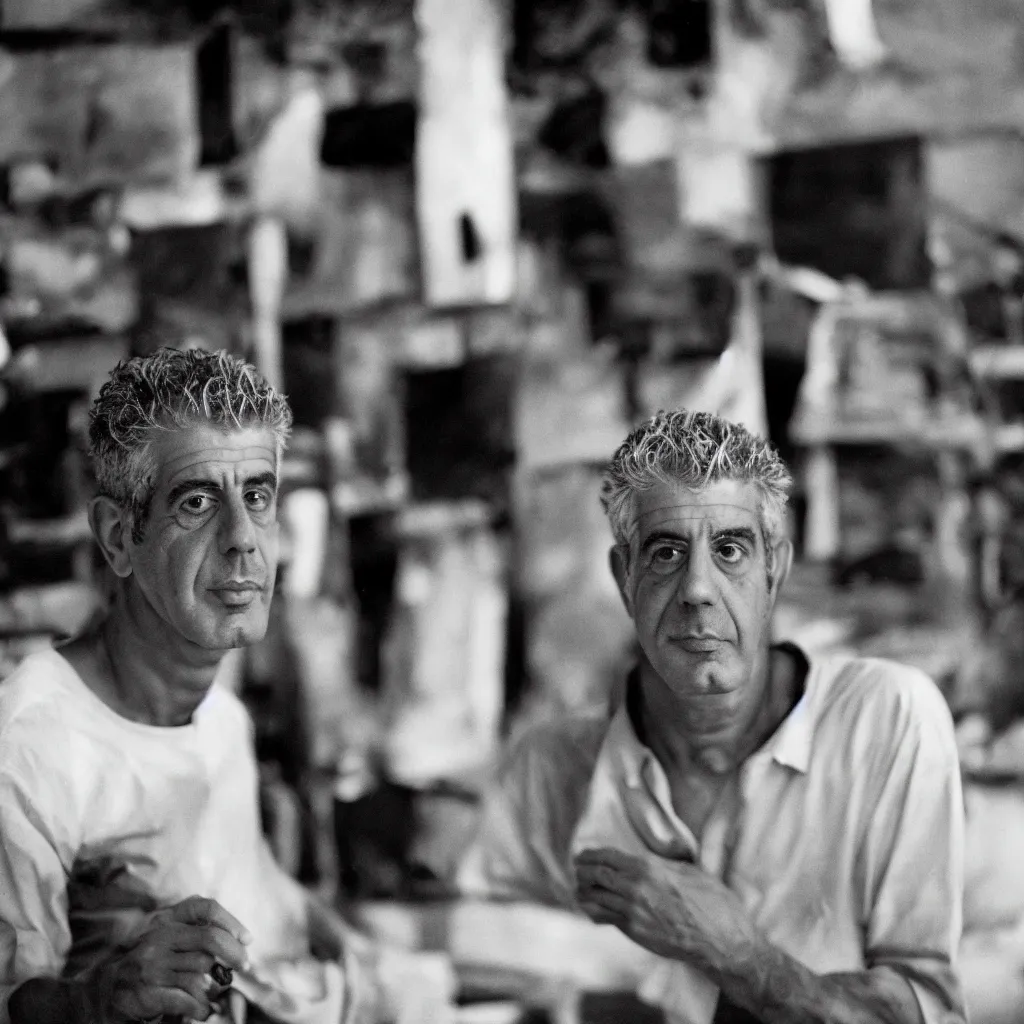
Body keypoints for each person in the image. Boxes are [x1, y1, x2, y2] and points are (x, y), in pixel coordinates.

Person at [457, 408, 965, 1024]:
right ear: (625, 579)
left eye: (730, 549)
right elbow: (485, 982)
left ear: (774, 568)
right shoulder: (547, 772)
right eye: (667, 552)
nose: (698, 588)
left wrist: (740, 958)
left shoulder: (886, 720)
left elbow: (928, 1014)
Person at [0, 349, 430, 1024]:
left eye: (257, 497)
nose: (242, 541)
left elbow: (255, 896)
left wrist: (347, 944)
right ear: (118, 538)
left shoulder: (221, 715)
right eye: (197, 502)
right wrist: (97, 1000)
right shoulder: (31, 748)